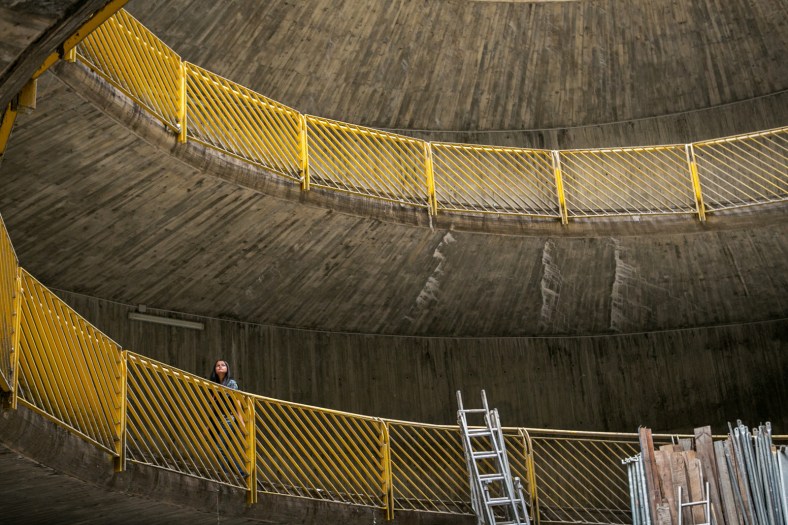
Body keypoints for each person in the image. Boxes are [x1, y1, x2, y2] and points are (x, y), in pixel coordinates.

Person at [208, 359, 247, 479]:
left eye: (223, 365)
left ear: (227, 368)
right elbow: (213, 407)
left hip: (228, 419)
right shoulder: (212, 385)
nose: (220, 367)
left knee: (220, 448)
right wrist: (209, 425)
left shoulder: (231, 383)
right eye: (217, 365)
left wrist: (240, 422)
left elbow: (237, 402)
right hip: (217, 420)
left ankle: (232, 473)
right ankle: (236, 472)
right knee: (220, 449)